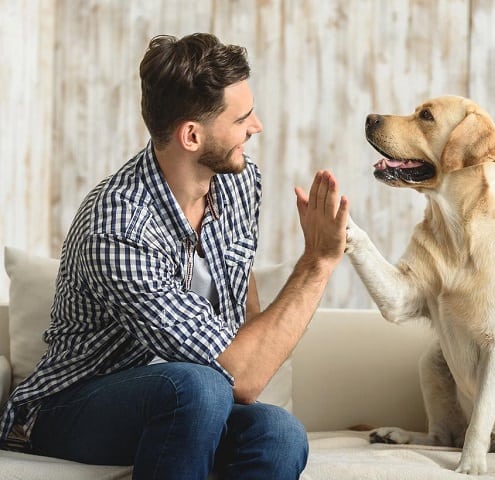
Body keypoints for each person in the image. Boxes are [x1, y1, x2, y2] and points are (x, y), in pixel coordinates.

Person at [0, 32, 349, 479]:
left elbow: (243, 307)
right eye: (242, 117)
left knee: (279, 434)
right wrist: (317, 262)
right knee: (197, 385)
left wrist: (248, 367)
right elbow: (239, 375)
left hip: (195, 399)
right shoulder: (119, 225)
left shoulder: (239, 182)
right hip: (70, 406)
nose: (256, 126)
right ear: (191, 135)